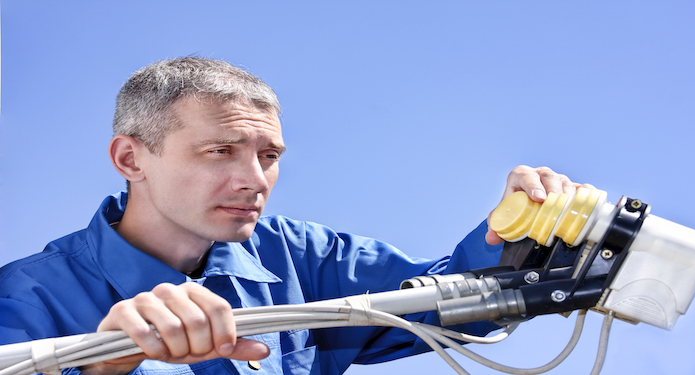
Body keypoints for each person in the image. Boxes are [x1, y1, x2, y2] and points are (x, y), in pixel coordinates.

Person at [0, 57, 579, 375]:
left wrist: (513, 238)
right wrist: (103, 366)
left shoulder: (301, 257)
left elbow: (444, 299)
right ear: (131, 158)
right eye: (219, 151)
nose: (255, 179)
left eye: (269, 156)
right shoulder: (26, 298)